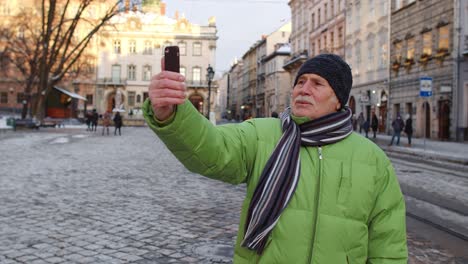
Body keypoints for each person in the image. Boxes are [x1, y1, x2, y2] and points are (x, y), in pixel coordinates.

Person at [143, 54, 407, 263]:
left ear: (338, 99)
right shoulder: (262, 134)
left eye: (317, 84)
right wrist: (172, 114)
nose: (304, 90)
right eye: (300, 82)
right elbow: (211, 149)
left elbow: (388, 243)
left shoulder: (372, 159)